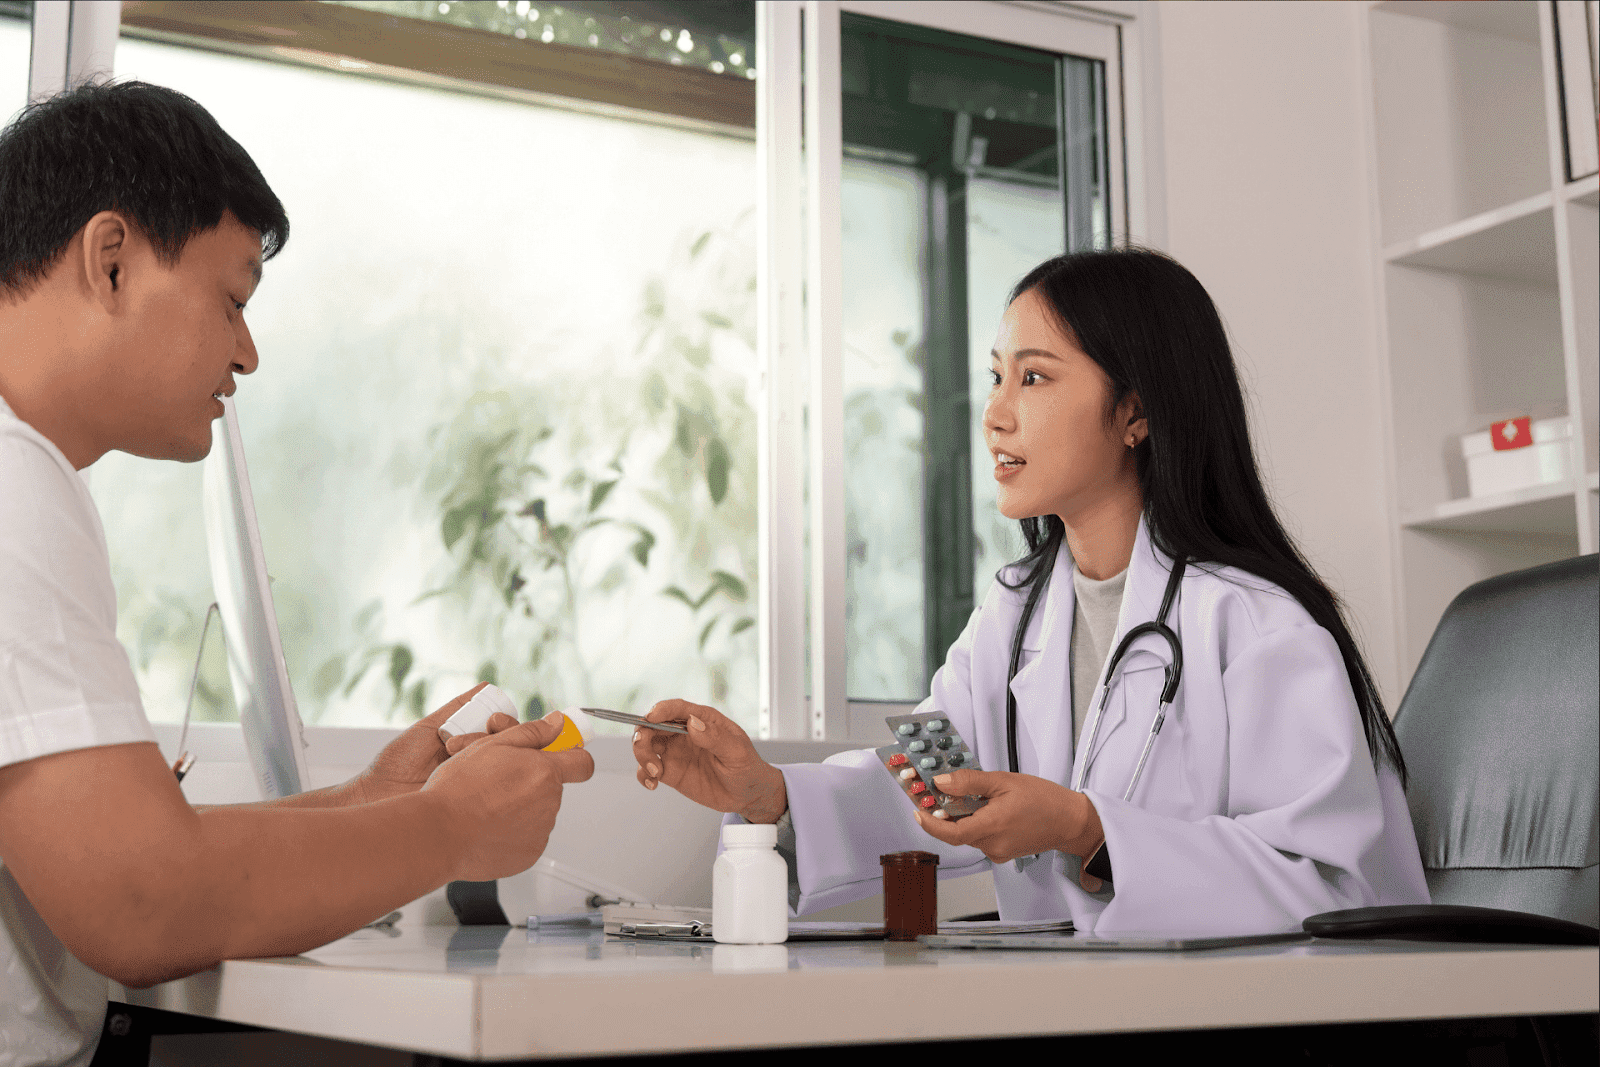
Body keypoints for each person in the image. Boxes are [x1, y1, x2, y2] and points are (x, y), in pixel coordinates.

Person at [0, 81, 593, 1067]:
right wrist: (451, 827)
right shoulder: (13, 484)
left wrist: (375, 800)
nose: (248, 354)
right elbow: (143, 901)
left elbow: (113, 849)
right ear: (111, 261)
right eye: (232, 302)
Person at [629, 247, 1429, 933]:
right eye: (996, 377)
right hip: (1067, 1007)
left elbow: (1332, 892)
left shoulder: (1255, 624)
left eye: (1035, 378)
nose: (995, 414)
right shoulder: (1015, 613)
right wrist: (769, 794)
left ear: (1135, 412)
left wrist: (1085, 828)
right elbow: (934, 786)